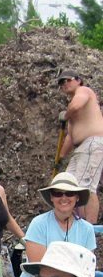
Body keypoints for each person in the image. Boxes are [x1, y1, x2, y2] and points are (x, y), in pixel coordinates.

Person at [13, 172, 96, 277]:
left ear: (77, 197)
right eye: (58, 193)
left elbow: (86, 268)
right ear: (51, 197)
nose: (63, 197)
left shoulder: (86, 229)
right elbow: (41, 269)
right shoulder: (39, 224)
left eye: (69, 193)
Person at [57, 69, 103, 223]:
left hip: (93, 143)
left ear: (78, 80)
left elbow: (76, 106)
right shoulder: (73, 109)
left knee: (86, 187)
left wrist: (66, 115)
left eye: (67, 80)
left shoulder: (83, 91)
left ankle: (89, 227)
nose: (65, 84)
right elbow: (70, 137)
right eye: (61, 83)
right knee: (69, 186)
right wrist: (61, 158)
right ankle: (76, 222)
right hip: (80, 149)